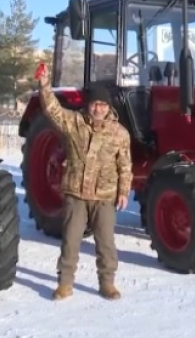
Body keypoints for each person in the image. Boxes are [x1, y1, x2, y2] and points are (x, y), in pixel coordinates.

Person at [37, 68, 133, 300]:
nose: (98, 108)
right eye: (94, 104)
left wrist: (123, 191)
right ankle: (65, 283)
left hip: (104, 196)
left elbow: (125, 165)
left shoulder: (120, 133)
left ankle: (107, 283)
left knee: (106, 243)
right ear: (88, 105)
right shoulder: (75, 123)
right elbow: (53, 110)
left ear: (109, 107)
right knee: (71, 241)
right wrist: (44, 85)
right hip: (76, 194)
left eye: (103, 104)